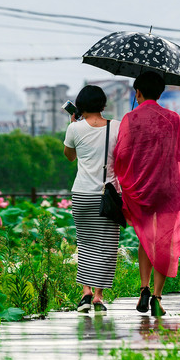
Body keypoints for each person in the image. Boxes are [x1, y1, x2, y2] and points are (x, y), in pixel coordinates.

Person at [114, 71, 180, 316]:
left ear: (138, 92)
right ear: (160, 93)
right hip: (168, 190)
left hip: (141, 189)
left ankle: (143, 288)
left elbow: (121, 156)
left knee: (145, 238)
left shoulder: (130, 119)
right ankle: (157, 298)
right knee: (164, 242)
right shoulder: (173, 119)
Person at [63, 85, 121, 316]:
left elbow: (69, 157)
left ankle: (85, 293)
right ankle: (98, 297)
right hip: (108, 195)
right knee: (106, 248)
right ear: (103, 104)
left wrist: (73, 124)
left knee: (85, 244)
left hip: (82, 194)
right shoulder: (116, 127)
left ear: (80, 105)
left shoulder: (74, 128)